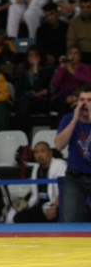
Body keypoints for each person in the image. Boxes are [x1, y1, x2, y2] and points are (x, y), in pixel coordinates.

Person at [55, 84, 91, 222]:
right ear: (76, 102)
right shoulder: (68, 118)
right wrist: (75, 119)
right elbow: (59, 145)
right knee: (70, 221)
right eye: (82, 100)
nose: (85, 104)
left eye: (89, 100)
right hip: (75, 178)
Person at [11, 142, 66, 223]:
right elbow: (35, 195)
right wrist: (27, 206)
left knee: (54, 216)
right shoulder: (36, 168)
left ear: (50, 153)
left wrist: (54, 206)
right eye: (36, 152)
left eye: (42, 151)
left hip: (57, 206)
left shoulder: (60, 165)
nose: (39, 155)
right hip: (42, 207)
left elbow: (63, 191)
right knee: (19, 217)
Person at [51, 45, 91, 116]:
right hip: (65, 94)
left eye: (76, 53)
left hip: (81, 94)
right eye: (70, 53)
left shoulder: (86, 67)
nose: (73, 56)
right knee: (62, 104)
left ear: (80, 56)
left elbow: (89, 80)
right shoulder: (63, 67)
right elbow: (55, 84)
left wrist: (73, 72)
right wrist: (62, 67)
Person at [36, 3, 68, 67]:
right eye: (47, 15)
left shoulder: (66, 27)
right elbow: (39, 46)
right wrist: (47, 56)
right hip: (46, 60)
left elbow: (67, 45)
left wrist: (56, 57)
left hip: (62, 59)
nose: (50, 17)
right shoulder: (41, 29)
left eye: (52, 14)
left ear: (57, 13)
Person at [66, 0, 91, 64]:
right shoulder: (74, 22)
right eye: (83, 7)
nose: (85, 10)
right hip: (81, 56)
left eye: (88, 7)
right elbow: (71, 41)